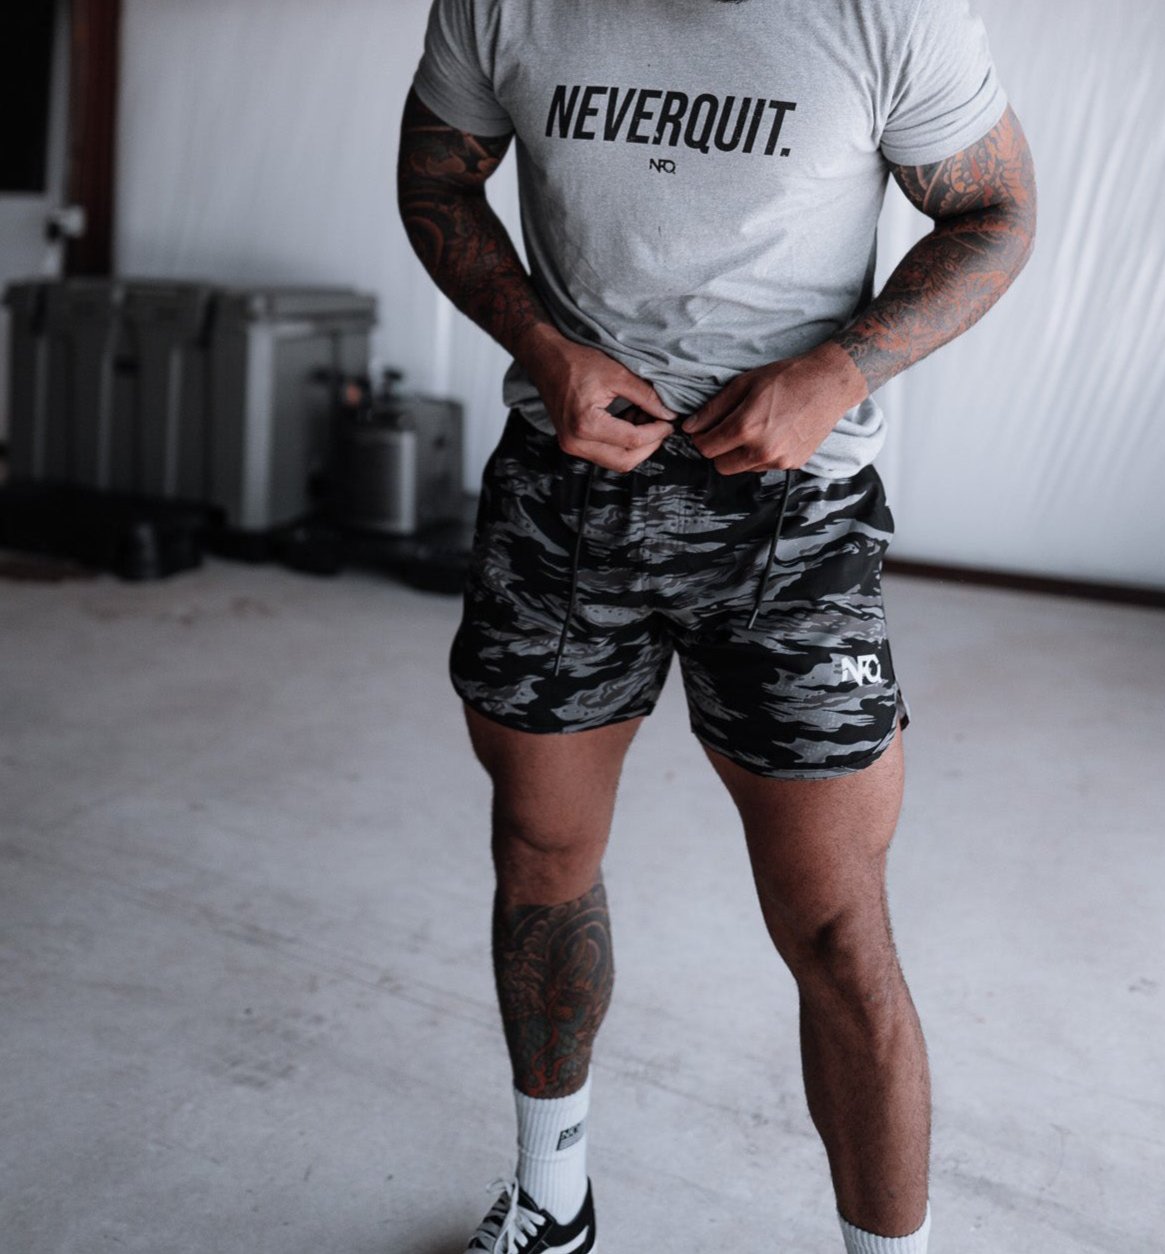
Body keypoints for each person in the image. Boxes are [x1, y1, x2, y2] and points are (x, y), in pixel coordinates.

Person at [397, 0, 1035, 1248]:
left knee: (836, 927)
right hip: (565, 498)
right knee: (540, 858)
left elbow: (995, 210)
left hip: (794, 521)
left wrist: (841, 370)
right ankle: (554, 1199)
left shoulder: (889, 13)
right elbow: (437, 178)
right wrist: (542, 345)